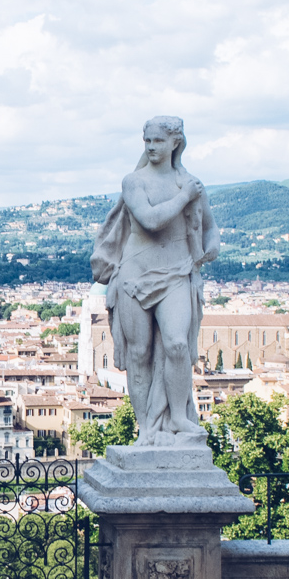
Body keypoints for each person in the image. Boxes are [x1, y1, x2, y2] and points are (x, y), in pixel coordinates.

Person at [89, 116, 219, 446]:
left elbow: (210, 226)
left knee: (177, 344)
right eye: (146, 141)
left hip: (176, 273)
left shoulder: (191, 183)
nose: (150, 147)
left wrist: (213, 244)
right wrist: (185, 197)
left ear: (175, 142)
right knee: (139, 353)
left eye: (158, 141)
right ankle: (145, 426)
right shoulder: (135, 182)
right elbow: (150, 220)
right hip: (135, 275)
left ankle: (177, 417)